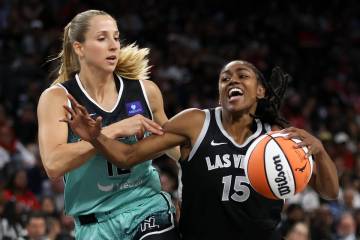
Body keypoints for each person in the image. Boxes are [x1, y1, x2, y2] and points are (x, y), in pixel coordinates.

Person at [64, 60, 339, 239]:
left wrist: (321, 153)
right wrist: (96, 137)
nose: (232, 80)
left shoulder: (278, 139)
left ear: (261, 91)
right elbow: (128, 155)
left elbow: (329, 191)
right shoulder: (196, 123)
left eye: (242, 76)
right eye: (225, 78)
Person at [37, 9, 180, 240]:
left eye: (116, 37)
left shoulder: (146, 91)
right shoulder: (57, 99)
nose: (114, 45)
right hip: (94, 223)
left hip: (146, 206)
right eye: (102, 38)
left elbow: (174, 144)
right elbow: (54, 164)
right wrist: (113, 131)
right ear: (79, 48)